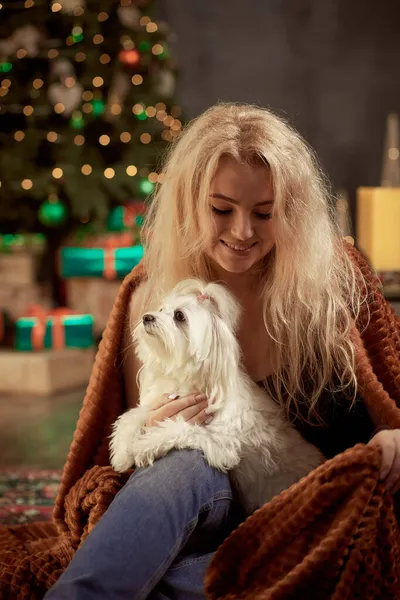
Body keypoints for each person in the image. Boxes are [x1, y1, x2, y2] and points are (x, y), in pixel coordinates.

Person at [44, 103, 400, 599]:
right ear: (190, 203)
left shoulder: (337, 282)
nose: (242, 232)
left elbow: (393, 399)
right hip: (199, 503)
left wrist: (394, 439)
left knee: (192, 576)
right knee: (184, 460)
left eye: (263, 213)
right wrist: (151, 425)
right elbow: (122, 450)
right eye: (221, 209)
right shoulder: (149, 293)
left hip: (314, 511)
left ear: (289, 210)